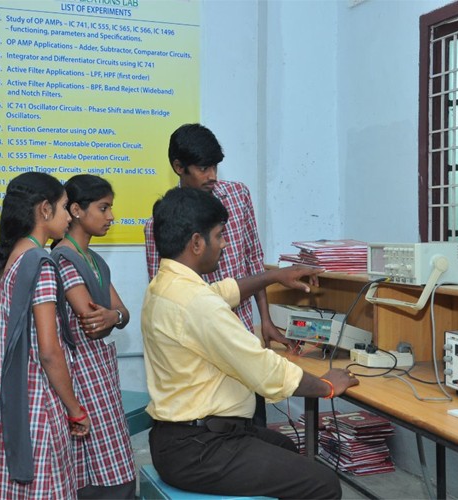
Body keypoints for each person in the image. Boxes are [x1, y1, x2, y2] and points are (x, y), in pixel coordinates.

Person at [141, 187, 359, 499]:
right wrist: (326, 386)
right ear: (197, 243)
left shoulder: (164, 286)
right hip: (199, 450)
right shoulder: (196, 304)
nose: (225, 244)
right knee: (322, 483)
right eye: (219, 236)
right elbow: (265, 371)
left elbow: (223, 291)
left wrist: (273, 277)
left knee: (285, 446)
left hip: (179, 438)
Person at [144, 123, 288, 425]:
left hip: (243, 335)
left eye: (215, 167)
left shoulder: (236, 197)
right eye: (203, 168)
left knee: (254, 422)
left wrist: (265, 321)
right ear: (179, 167)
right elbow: (162, 291)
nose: (212, 176)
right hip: (199, 350)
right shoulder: (161, 222)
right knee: (216, 425)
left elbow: (253, 260)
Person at [0, 172, 90, 499]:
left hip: (10, 403)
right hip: (38, 406)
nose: (69, 216)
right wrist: (75, 408)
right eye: (65, 208)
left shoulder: (13, 259)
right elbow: (49, 351)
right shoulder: (41, 264)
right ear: (44, 210)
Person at [51, 175, 135, 499]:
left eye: (110, 208)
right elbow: (91, 321)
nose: (111, 217)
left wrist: (113, 316)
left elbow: (121, 314)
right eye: (104, 208)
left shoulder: (95, 262)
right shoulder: (63, 258)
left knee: (110, 456)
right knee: (92, 463)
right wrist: (112, 317)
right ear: (76, 209)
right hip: (80, 372)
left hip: (99, 370)